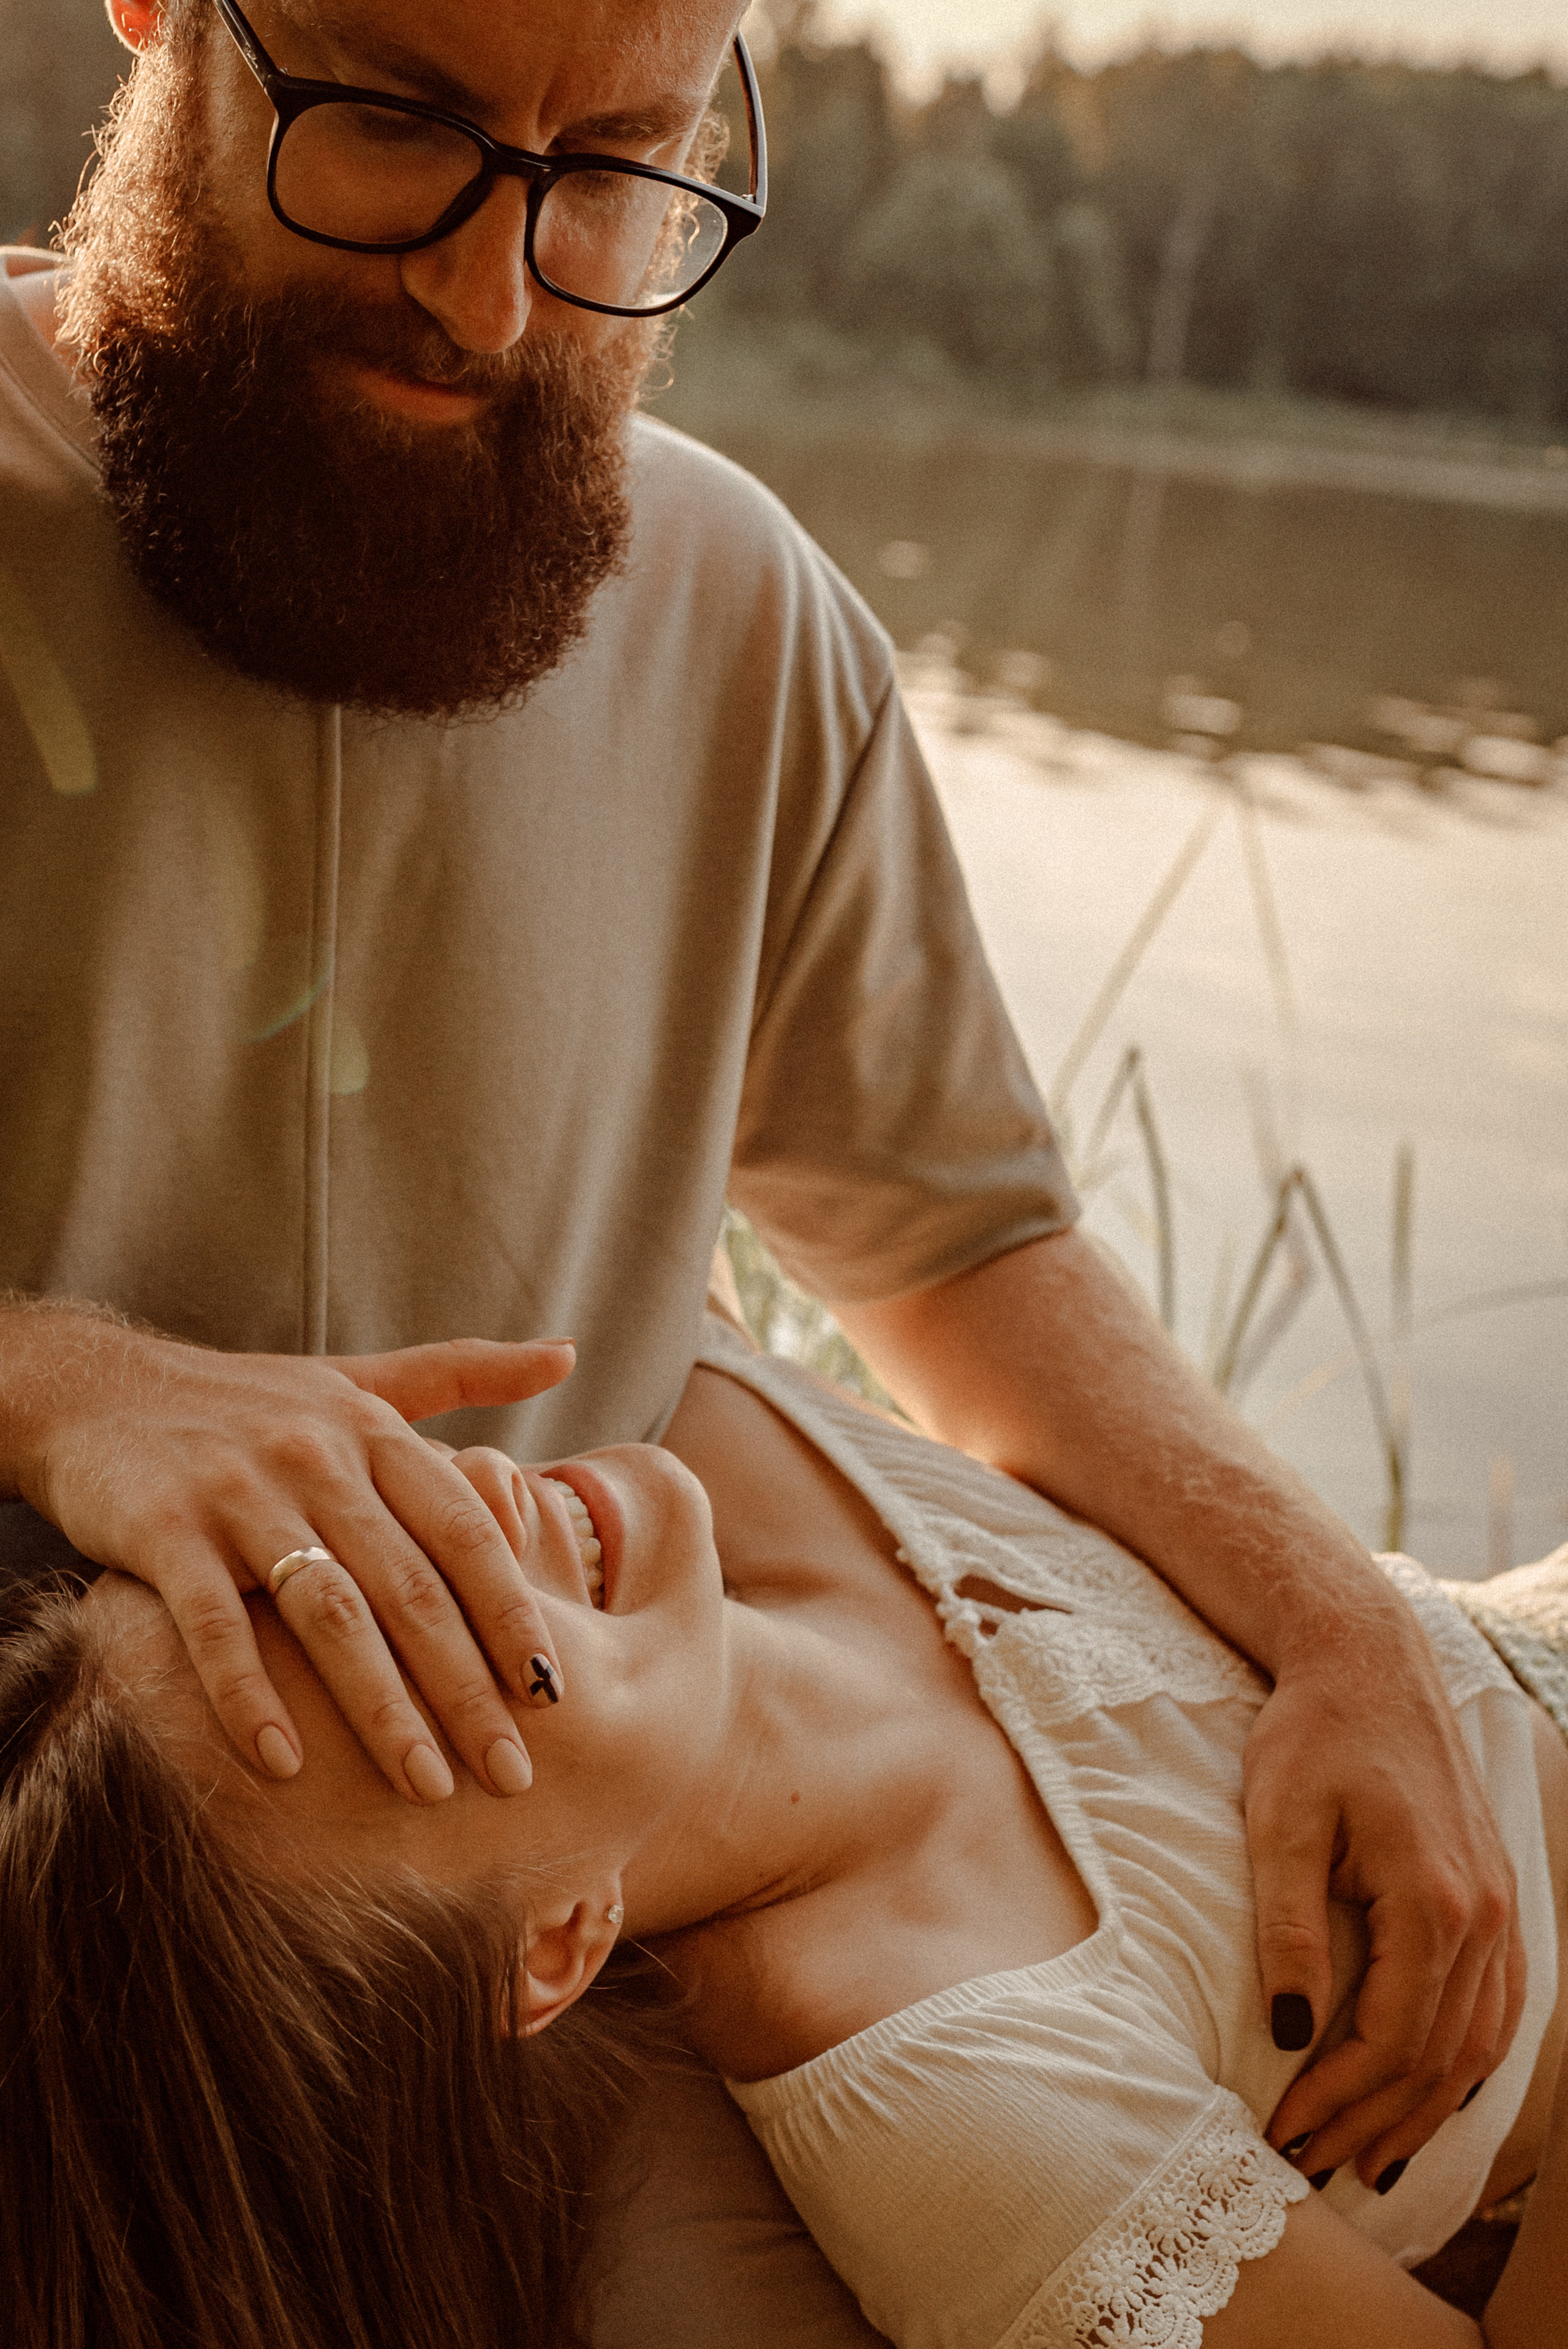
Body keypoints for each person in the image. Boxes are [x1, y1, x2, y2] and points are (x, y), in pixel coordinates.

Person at [0, 0, 1525, 2272]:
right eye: (398, 125)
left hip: (581, 1974)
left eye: (612, 163)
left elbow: (965, 1249)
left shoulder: (742, 612)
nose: (490, 296)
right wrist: (63, 1383)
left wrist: (1345, 1639)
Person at [2, 1312, 1566, 2349]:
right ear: (553, 1938)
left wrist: (1339, 1629)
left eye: (335, 1564)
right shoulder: (957, 2098)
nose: (473, 1522)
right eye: (441, 1672)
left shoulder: (689, 1393)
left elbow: (951, 1228)